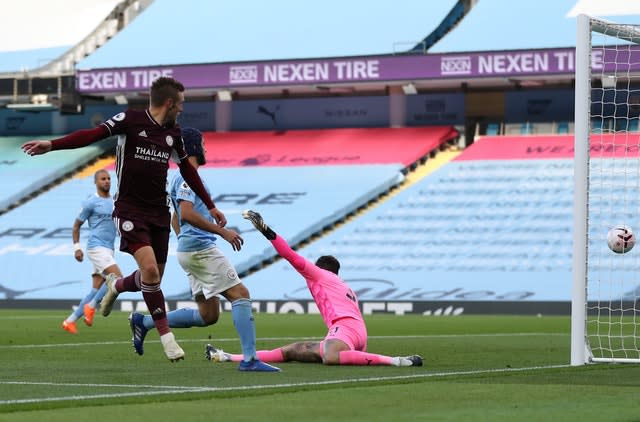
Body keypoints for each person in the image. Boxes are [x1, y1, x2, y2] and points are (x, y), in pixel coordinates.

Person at [21, 76, 226, 362]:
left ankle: (116, 285)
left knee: (149, 278)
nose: (181, 109)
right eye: (180, 104)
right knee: (152, 274)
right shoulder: (129, 120)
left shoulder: (174, 134)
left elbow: (189, 173)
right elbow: (91, 135)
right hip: (130, 211)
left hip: (158, 215)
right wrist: (52, 145)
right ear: (169, 103)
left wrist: (211, 205)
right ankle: (167, 338)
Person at [128, 128, 280, 372]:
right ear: (192, 147)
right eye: (203, 143)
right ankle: (250, 360)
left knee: (208, 316)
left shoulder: (181, 177)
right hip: (201, 249)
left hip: (188, 251)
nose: (206, 148)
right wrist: (222, 232)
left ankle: (144, 322)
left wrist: (185, 240)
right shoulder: (187, 177)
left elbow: (175, 217)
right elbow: (186, 213)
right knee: (240, 294)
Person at [206, 210, 423, 367]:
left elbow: (290, 255)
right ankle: (226, 356)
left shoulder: (319, 274)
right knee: (290, 351)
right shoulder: (341, 284)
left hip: (345, 329)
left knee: (331, 356)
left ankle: (397, 361)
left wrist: (266, 230)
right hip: (355, 332)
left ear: (320, 268)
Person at [62, 169, 123, 334]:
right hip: (96, 248)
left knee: (96, 289)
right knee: (117, 278)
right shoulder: (90, 202)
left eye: (109, 178)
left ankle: (70, 321)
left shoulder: (115, 201)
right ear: (95, 182)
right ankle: (91, 307)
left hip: (108, 249)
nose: (107, 181)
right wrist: (77, 248)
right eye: (103, 179)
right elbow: (76, 226)